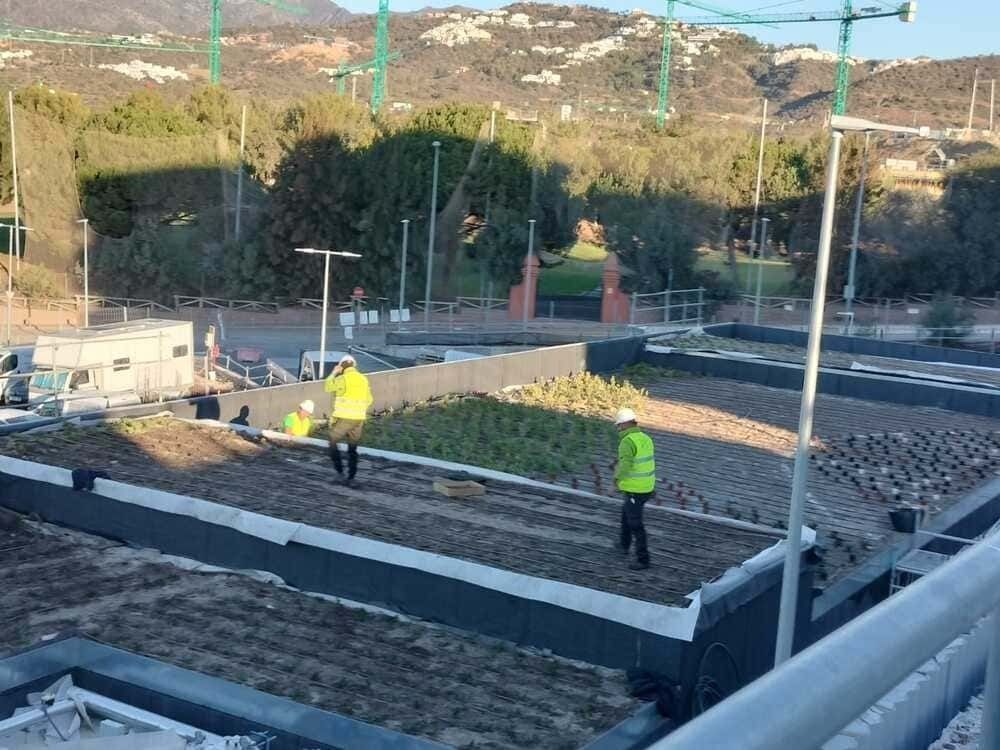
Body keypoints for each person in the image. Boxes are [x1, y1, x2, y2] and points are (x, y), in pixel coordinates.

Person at [612, 407, 657, 571]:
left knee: (635, 524)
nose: (618, 428)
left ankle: (643, 559)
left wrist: (616, 479)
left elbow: (626, 465)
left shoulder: (627, 442)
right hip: (647, 487)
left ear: (624, 424)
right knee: (626, 514)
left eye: (619, 425)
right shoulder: (645, 438)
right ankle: (623, 545)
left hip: (635, 489)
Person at [324, 354, 373, 485]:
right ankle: (351, 477)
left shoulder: (343, 378)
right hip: (359, 419)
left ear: (341, 367)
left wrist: (334, 373)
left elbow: (327, 386)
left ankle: (340, 473)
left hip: (346, 417)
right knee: (352, 448)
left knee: (332, 439)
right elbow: (369, 400)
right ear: (354, 365)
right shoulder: (363, 379)